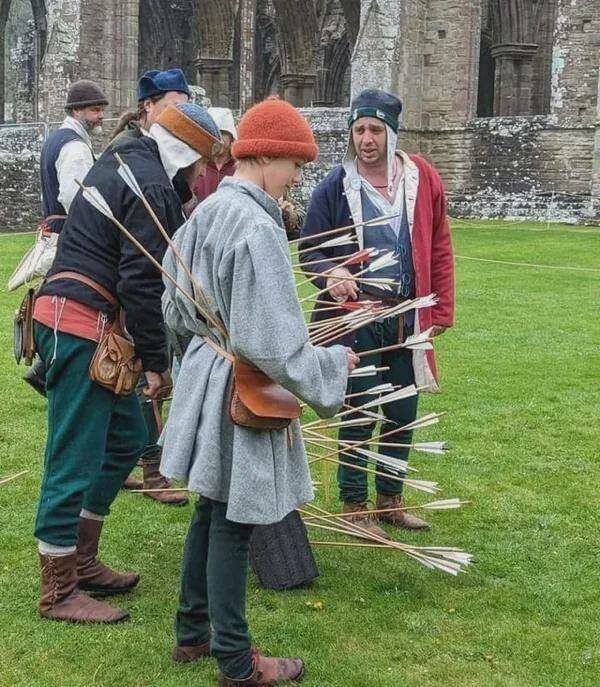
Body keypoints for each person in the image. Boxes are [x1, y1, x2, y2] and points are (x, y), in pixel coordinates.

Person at [159, 97, 358, 685]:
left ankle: (192, 634)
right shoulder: (255, 225)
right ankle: (237, 662)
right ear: (267, 156)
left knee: (210, 506)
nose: (296, 180)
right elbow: (274, 344)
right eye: (294, 166)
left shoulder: (207, 210)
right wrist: (332, 366)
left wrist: (199, 353)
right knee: (232, 521)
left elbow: (171, 305)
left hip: (207, 369)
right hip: (237, 385)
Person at [31, 103, 222, 624]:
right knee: (72, 455)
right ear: (184, 155)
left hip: (88, 323)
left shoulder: (133, 161)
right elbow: (142, 281)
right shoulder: (149, 182)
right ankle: (58, 590)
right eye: (201, 163)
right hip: (80, 327)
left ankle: (82, 559)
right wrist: (158, 364)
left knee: (126, 438)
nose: (203, 174)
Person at [300, 88, 455, 537]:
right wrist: (331, 274)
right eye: (359, 129)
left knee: (403, 409)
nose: (366, 139)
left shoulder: (421, 178)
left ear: (391, 132)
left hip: (407, 315)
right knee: (361, 408)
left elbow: (440, 245)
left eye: (375, 129)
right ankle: (354, 506)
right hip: (356, 320)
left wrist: (440, 307)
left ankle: (390, 499)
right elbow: (311, 248)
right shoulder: (337, 184)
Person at [109, 68, 194, 505]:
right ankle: (153, 471)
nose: (181, 114)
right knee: (145, 373)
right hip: (126, 286)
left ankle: (124, 465)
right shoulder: (131, 154)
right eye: (174, 105)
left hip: (135, 281)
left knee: (132, 376)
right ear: (149, 107)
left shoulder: (160, 157)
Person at [23, 80, 108, 395]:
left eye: (101, 109)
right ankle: (48, 368)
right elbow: (77, 196)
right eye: (95, 109)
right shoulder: (74, 145)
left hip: (56, 234)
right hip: (71, 238)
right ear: (76, 110)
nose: (100, 116)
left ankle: (47, 367)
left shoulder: (57, 138)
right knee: (72, 307)